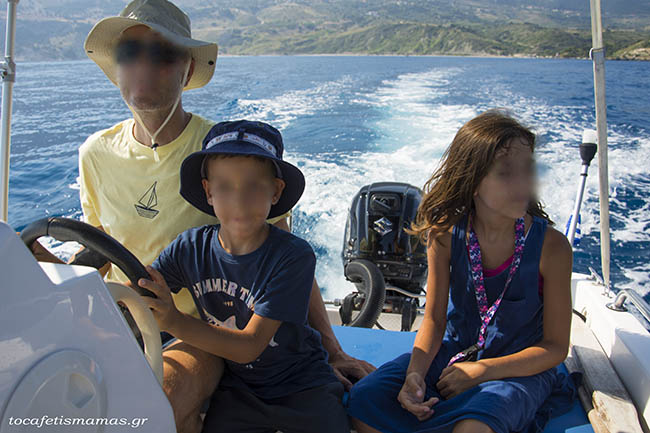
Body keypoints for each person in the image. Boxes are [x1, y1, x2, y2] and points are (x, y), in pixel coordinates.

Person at [28, 1, 374, 431]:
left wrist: (332, 350)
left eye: (161, 53)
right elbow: (98, 253)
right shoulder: (94, 153)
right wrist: (38, 268)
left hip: (201, 329)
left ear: (186, 71)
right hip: (119, 314)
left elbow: (280, 260)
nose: (143, 65)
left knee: (157, 403)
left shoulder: (223, 158)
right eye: (129, 53)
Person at [346, 110, 579, 433]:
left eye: (527, 169)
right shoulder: (444, 235)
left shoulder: (551, 248)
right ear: (472, 182)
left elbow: (555, 347)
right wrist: (414, 373)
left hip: (518, 368)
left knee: (473, 428)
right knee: (363, 401)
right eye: (505, 173)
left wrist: (483, 370)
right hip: (453, 355)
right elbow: (434, 320)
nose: (522, 182)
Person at [139, 120, 350, 433]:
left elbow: (249, 346)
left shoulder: (293, 256)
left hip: (301, 384)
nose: (239, 200)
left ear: (276, 191)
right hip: (237, 387)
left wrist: (172, 321)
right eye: (224, 187)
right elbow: (141, 289)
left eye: (253, 186)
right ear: (208, 191)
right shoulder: (188, 248)